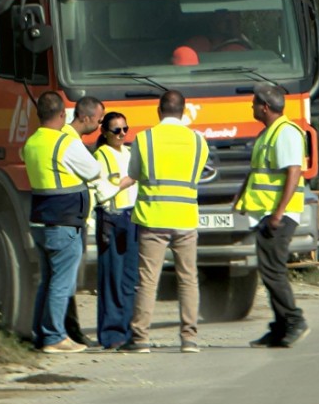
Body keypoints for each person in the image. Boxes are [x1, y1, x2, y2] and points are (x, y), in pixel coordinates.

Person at [22, 92, 118, 356]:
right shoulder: (65, 143)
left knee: (47, 280)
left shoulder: (31, 143)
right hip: (63, 222)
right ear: (63, 115)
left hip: (40, 221)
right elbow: (93, 170)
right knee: (62, 283)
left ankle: (41, 334)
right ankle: (54, 337)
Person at [126, 88, 211, 355]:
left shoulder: (144, 139)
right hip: (185, 218)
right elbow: (196, 175)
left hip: (153, 217)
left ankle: (140, 338)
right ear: (184, 111)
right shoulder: (199, 141)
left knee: (148, 280)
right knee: (188, 279)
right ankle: (189, 338)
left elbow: (134, 173)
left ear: (158, 110)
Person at [234, 84, 310, 348]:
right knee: (269, 272)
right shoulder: (268, 133)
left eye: (254, 104)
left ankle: (293, 320)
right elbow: (258, 172)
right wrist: (242, 197)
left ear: (265, 107)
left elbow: (293, 172)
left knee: (273, 271)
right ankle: (279, 328)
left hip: (278, 214)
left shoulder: (285, 133)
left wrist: (278, 213)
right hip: (265, 213)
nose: (251, 107)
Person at [92, 110, 141, 350]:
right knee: (112, 276)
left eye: (125, 129)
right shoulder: (101, 155)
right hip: (111, 218)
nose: (122, 134)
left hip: (132, 216)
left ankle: (129, 329)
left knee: (130, 277)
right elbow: (101, 191)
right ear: (105, 132)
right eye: (116, 130)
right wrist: (126, 182)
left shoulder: (130, 153)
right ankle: (112, 334)